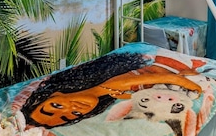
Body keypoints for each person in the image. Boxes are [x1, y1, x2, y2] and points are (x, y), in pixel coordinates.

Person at [21, 52, 202, 128]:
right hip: (167, 69)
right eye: (72, 114)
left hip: (168, 65)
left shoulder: (110, 85)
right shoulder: (105, 91)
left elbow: (169, 78)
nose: (72, 108)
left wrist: (193, 85)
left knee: (191, 75)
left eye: (56, 106)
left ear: (54, 94)